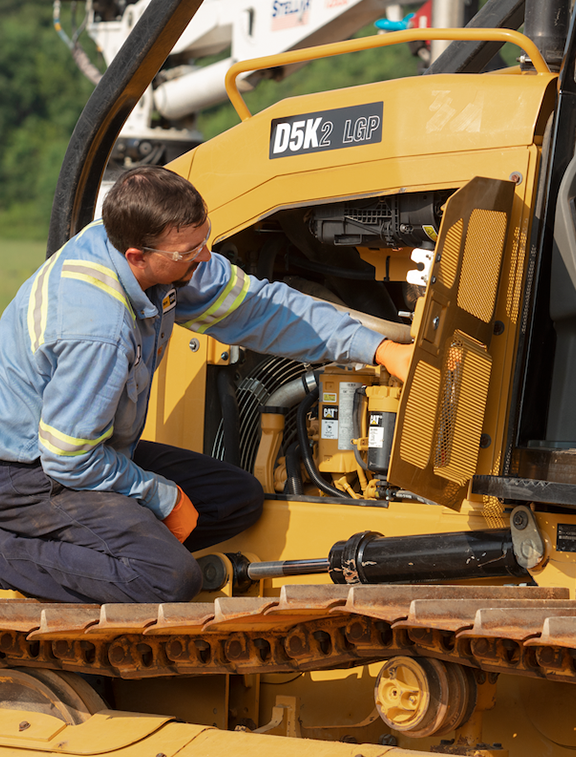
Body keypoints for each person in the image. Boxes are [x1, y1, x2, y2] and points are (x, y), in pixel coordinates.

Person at [0, 166, 413, 605]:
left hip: (94, 446)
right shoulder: (96, 328)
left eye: (205, 239)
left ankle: (114, 553)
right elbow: (69, 459)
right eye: (188, 252)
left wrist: (382, 350)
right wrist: (161, 497)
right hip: (30, 471)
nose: (203, 257)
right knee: (168, 580)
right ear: (137, 256)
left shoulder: (141, 249)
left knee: (235, 499)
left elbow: (259, 308)